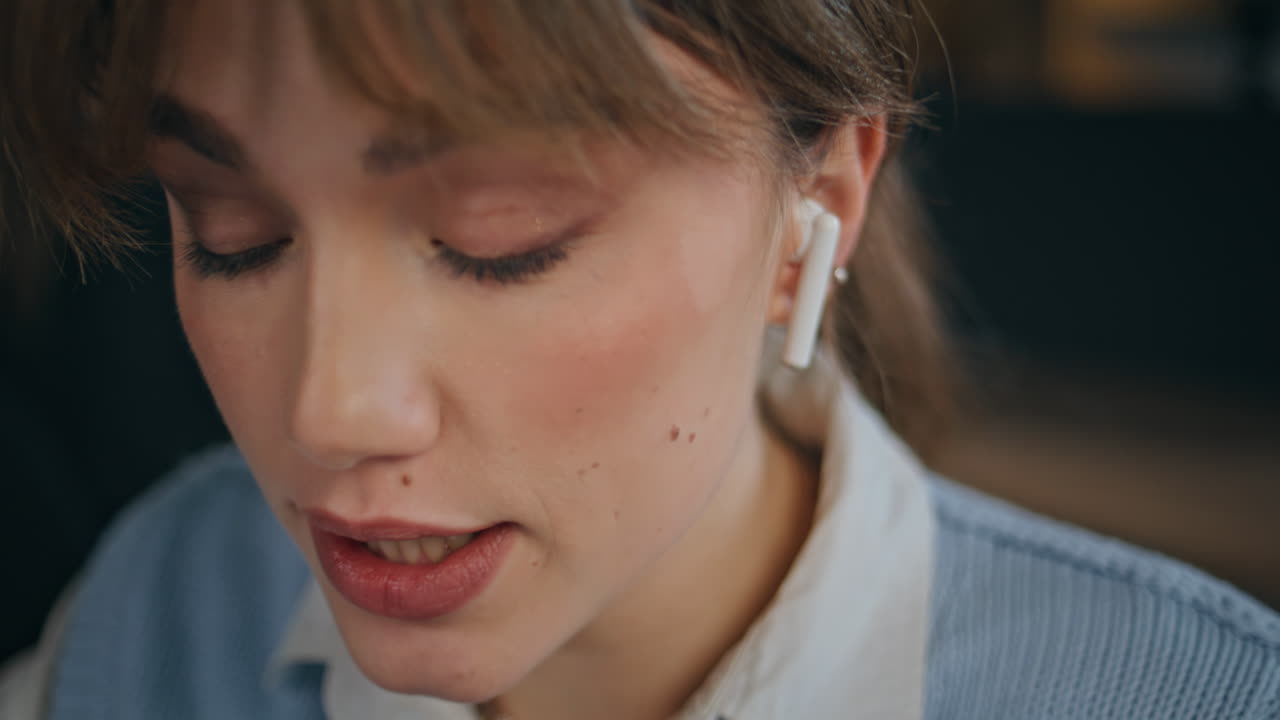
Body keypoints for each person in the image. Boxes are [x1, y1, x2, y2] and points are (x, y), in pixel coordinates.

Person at [1, 1, 1277, 718]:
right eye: (233, 235)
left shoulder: (1183, 696)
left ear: (814, 215)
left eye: (499, 243)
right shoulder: (159, 606)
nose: (330, 413)